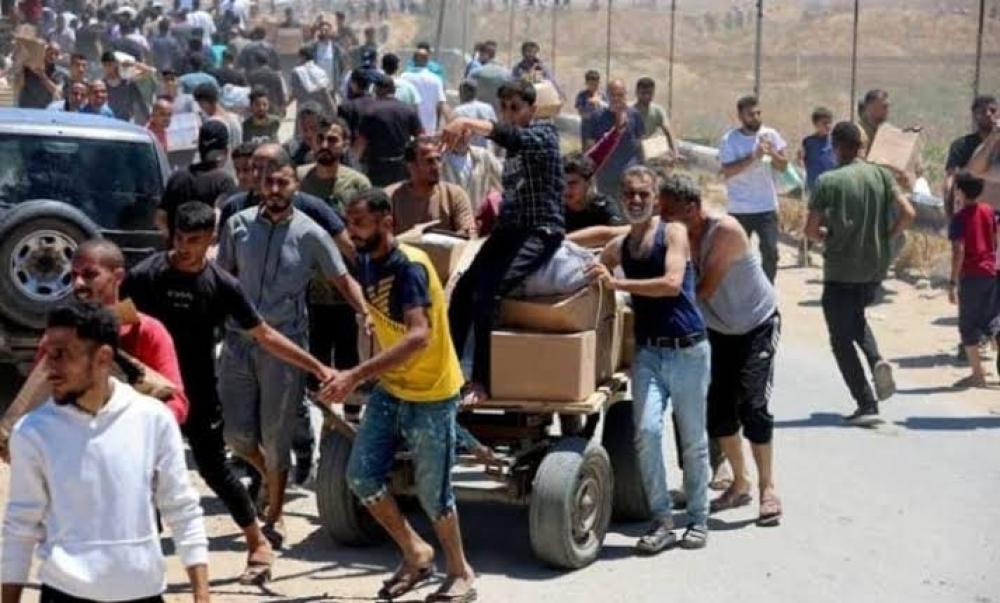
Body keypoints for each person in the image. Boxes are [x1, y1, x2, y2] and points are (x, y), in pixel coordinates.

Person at [124, 201, 338, 585]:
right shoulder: (146, 276)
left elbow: (265, 335)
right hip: (147, 395)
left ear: (211, 239)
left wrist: (316, 366)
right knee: (139, 474)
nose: (183, 248)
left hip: (198, 392)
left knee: (215, 471)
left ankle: (258, 542)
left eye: (193, 240)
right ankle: (142, 555)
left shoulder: (222, 286)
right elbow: (114, 325)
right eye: (178, 238)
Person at [319, 188, 477, 603]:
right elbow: (364, 294)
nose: (352, 231)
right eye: (349, 223)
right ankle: (416, 552)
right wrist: (366, 316)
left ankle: (460, 571)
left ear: (387, 222)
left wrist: (355, 375)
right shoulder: (367, 259)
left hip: (431, 393)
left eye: (359, 223)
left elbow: (419, 335)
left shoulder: (409, 268)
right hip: (392, 387)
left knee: (433, 494)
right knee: (361, 477)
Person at [0, 301, 210, 603]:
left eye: (62, 355)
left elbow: (182, 507)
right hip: (64, 594)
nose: (49, 368)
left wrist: (202, 595)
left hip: (144, 593)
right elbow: (21, 526)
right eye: (48, 354)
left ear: (103, 358)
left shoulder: (153, 419)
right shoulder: (32, 432)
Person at [216, 148, 367, 547]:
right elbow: (220, 279)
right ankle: (267, 477)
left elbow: (343, 279)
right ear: (259, 184)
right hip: (238, 343)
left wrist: (365, 312)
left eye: (282, 182)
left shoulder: (311, 233)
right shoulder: (237, 226)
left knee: (276, 434)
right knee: (235, 434)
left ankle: (275, 515)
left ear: (295, 186)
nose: (274, 189)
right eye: (268, 182)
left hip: (284, 347)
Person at [585, 166, 711, 553]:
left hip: (688, 350)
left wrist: (617, 283)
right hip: (648, 354)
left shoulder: (673, 233)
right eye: (630, 194)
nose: (636, 200)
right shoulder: (621, 245)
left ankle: (698, 518)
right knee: (647, 433)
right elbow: (594, 262)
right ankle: (662, 520)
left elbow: (671, 284)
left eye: (643, 194)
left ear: (655, 198)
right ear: (621, 197)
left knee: (693, 440)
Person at [660, 172, 783, 527]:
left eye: (670, 214)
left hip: (757, 324)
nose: (664, 221)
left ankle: (768, 489)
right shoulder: (676, 233)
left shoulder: (724, 231)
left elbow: (704, 290)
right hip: (717, 329)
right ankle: (740, 483)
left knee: (754, 406)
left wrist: (658, 298)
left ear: (692, 208)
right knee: (718, 412)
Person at [442, 79, 565, 404]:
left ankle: (481, 380)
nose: (510, 114)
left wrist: (468, 122)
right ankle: (448, 373)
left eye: (516, 108)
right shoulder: (510, 151)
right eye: (505, 108)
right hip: (510, 231)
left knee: (490, 291)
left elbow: (512, 136)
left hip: (540, 230)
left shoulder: (544, 135)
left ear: (532, 109)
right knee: (463, 289)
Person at [805, 122, 915, 425]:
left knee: (839, 339)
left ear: (836, 146)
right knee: (856, 317)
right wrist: (887, 236)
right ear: (861, 146)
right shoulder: (881, 175)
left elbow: (810, 230)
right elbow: (909, 213)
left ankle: (866, 403)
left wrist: (827, 236)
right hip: (874, 267)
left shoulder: (828, 181)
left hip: (840, 269)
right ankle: (876, 359)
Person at [718, 95, 788, 283]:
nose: (756, 118)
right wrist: (754, 156)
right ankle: (741, 290)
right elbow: (728, 171)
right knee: (737, 255)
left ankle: (767, 289)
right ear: (740, 116)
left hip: (766, 206)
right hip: (739, 208)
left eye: (758, 113)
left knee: (771, 252)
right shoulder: (729, 140)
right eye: (751, 114)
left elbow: (783, 166)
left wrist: (772, 153)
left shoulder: (771, 135)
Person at [948, 173, 999, 388]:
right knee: (993, 320)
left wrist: (953, 282)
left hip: (971, 274)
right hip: (991, 272)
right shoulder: (989, 211)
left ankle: (977, 374)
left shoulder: (959, 218)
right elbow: (995, 239)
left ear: (960, 191)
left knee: (968, 325)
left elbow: (958, 251)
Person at [157, 119, 237, 237]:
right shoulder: (224, 182)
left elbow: (160, 217)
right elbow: (224, 222)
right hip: (209, 248)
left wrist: (173, 241)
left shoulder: (177, 177)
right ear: (225, 151)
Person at [386, 137, 476, 236]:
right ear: (411, 166)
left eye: (438, 159)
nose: (437, 166)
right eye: (429, 161)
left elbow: (469, 234)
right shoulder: (390, 197)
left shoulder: (454, 195)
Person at [353, 74, 424, 186]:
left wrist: (353, 165)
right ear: (394, 90)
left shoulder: (370, 111)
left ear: (376, 89)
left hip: (377, 167)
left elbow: (361, 143)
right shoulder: (408, 110)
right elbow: (421, 138)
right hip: (402, 166)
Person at [583, 79, 645, 197]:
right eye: (613, 95)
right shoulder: (596, 117)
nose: (616, 99)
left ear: (625, 95)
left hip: (629, 176)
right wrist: (588, 175)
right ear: (607, 96)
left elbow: (640, 145)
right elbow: (590, 148)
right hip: (606, 177)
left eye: (620, 95)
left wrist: (643, 169)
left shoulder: (634, 115)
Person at [298, 116, 372, 214]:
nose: (324, 145)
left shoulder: (358, 184)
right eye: (320, 139)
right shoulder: (298, 178)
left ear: (345, 145)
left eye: (332, 140)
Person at [945, 95, 999, 215]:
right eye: (982, 111)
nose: (988, 114)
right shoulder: (961, 146)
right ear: (974, 115)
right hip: (971, 214)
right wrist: (950, 214)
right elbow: (950, 180)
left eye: (993, 110)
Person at [441, 130, 503, 213]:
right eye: (456, 132)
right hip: (449, 218)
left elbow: (505, 182)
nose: (460, 137)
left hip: (478, 217)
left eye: (464, 132)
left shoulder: (484, 156)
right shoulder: (439, 161)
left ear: (471, 133)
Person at [562, 151, 625, 232]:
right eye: (562, 182)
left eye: (573, 183)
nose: (566, 189)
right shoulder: (556, 209)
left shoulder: (602, 206)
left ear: (588, 183)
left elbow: (621, 231)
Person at [401, 46, 449, 133]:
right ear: (427, 61)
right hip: (428, 130)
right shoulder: (436, 79)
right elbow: (442, 104)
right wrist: (451, 121)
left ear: (413, 60)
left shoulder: (404, 77)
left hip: (408, 128)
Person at [193, 82, 242, 159]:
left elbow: (210, 155)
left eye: (200, 104)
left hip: (223, 164)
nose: (201, 108)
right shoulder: (236, 117)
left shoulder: (212, 124)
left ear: (204, 102)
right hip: (237, 163)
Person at [101, 50, 149, 123]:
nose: (107, 68)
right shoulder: (102, 84)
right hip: (108, 121)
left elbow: (147, 71)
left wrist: (132, 63)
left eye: (110, 64)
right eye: (105, 65)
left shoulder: (127, 82)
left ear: (116, 64)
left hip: (125, 122)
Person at [290, 45, 337, 121]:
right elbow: (327, 94)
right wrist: (333, 111)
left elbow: (294, 93)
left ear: (303, 57)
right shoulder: (321, 72)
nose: (297, 60)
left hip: (304, 114)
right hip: (319, 114)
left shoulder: (296, 72)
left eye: (298, 57)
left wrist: (284, 105)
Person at [633, 77, 678, 155]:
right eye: (643, 93)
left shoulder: (657, 111)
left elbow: (668, 131)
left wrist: (675, 152)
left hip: (647, 146)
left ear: (653, 93)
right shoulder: (630, 111)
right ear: (637, 93)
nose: (646, 96)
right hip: (631, 147)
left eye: (649, 93)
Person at [17, 42, 67, 109]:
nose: (53, 56)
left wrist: (42, 75)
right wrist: (21, 65)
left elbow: (56, 91)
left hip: (43, 110)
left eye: (56, 54)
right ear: (44, 52)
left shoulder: (58, 73)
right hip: (25, 107)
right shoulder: (29, 67)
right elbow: (20, 83)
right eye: (51, 53)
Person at [451, 79, 497, 149]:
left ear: (463, 92)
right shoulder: (488, 108)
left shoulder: (458, 111)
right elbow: (495, 132)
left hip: (469, 152)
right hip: (486, 151)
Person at [311, 19, 348, 100]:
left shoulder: (336, 49)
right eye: (322, 30)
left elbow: (343, 66)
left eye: (326, 30)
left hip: (331, 88)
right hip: (317, 87)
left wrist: (339, 81)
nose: (324, 32)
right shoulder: (314, 47)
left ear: (330, 32)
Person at [246, 52, 286, 118]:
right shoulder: (275, 75)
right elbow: (280, 94)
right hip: (272, 107)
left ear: (256, 62)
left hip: (258, 107)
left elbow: (249, 92)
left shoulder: (252, 76)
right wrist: (282, 107)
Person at [857, 89, 890, 156]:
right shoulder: (858, 133)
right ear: (870, 107)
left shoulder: (886, 131)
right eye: (884, 106)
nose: (887, 111)